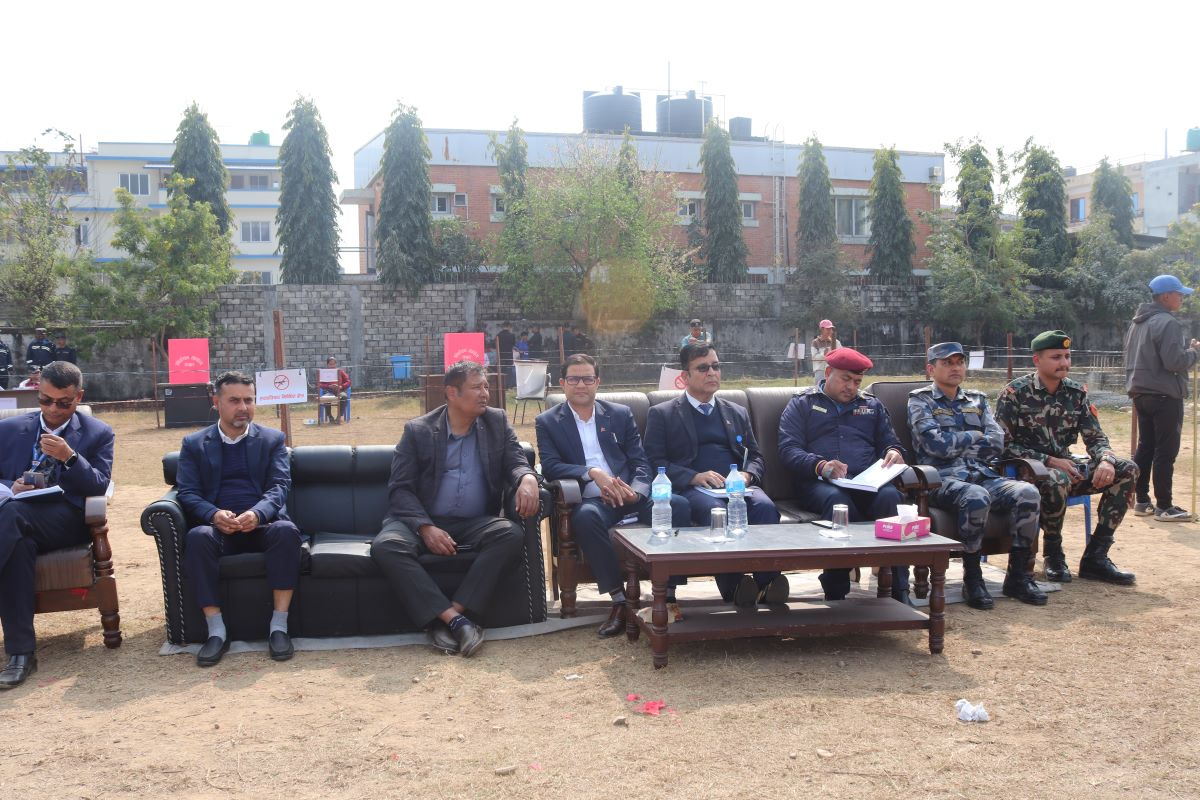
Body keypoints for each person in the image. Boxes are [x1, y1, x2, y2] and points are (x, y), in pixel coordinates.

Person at [371, 361, 541, 657]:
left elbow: (516, 460)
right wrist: (426, 528)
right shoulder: (419, 430)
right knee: (386, 546)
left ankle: (450, 616)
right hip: (423, 520)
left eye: (486, 386)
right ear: (452, 392)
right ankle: (458, 622)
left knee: (510, 534)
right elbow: (400, 489)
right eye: (476, 387)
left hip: (474, 521)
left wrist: (527, 478)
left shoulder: (496, 421)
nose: (485, 393)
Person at [536, 354, 690, 636]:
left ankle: (668, 597)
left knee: (678, 506)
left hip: (630, 495)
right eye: (573, 379)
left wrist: (637, 493)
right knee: (585, 518)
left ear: (597, 382)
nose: (580, 385)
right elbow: (550, 465)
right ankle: (620, 602)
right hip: (594, 500)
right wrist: (592, 472)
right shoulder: (548, 421)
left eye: (587, 379)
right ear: (562, 383)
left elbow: (640, 462)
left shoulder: (619, 414)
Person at [176, 371, 304, 666]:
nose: (243, 407)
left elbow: (279, 486)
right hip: (219, 530)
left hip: (263, 525)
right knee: (197, 537)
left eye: (249, 400)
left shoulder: (272, 440)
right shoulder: (194, 444)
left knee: (286, 531)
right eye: (234, 400)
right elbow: (188, 492)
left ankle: (279, 628)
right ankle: (216, 632)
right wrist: (213, 514)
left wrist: (258, 513)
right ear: (216, 402)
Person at [644, 343, 786, 606]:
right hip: (695, 489)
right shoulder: (663, 414)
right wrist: (693, 476)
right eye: (703, 368)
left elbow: (756, 456)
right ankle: (735, 587)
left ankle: (767, 584)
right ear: (685, 376)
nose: (712, 373)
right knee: (716, 512)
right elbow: (653, 461)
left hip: (737, 487)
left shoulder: (736, 412)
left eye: (716, 366)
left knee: (766, 508)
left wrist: (747, 475)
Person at [0, 361, 113, 689]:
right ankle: (21, 655)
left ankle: (21, 655)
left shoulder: (98, 432)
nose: (53, 409)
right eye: (46, 400)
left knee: (10, 517)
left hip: (65, 518)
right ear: (38, 392)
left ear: (79, 397)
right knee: (17, 544)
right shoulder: (9, 429)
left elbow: (100, 485)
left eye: (63, 403)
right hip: (15, 517)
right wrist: (11, 486)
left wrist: (70, 458)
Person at [907, 342, 1045, 609]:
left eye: (959, 362)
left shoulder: (978, 399)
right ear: (931, 369)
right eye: (947, 363)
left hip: (982, 474)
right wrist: (974, 434)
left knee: (1027, 492)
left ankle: (1018, 577)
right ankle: (973, 578)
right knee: (975, 496)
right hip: (940, 480)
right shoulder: (920, 400)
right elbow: (935, 445)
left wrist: (959, 441)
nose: (955, 367)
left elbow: (997, 443)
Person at [996, 331, 1137, 586]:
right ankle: (1053, 554)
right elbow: (1003, 446)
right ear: (1037, 360)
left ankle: (1096, 556)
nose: (1064, 363)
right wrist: (1048, 460)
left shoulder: (1076, 393)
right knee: (1056, 477)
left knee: (1126, 469)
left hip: (1067, 468)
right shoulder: (1015, 393)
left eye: (1067, 356)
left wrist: (1106, 460)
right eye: (1056, 357)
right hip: (1029, 472)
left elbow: (1096, 437)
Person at [778, 347, 913, 604]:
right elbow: (788, 449)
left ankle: (899, 588)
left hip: (866, 482)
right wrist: (820, 465)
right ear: (828, 372)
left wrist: (894, 452)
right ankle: (836, 588)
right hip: (819, 483)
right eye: (845, 379)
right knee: (839, 503)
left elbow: (890, 442)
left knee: (891, 498)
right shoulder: (803, 404)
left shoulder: (871, 406)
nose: (851, 387)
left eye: (857, 381)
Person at [1123, 274, 1200, 522]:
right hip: (1165, 395)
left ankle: (1142, 501)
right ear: (1166, 296)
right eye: (1179, 294)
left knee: (1146, 447)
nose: (1182, 298)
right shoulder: (1167, 322)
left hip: (1140, 392)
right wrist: (1194, 353)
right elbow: (1174, 361)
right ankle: (1164, 506)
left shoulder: (1137, 323)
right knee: (1165, 451)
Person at [317, 356, 352, 424]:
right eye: (330, 364)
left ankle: (339, 416)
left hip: (339, 391)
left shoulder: (340, 371)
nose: (332, 366)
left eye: (334, 364)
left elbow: (348, 382)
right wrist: (328, 386)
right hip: (328, 391)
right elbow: (320, 384)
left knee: (344, 397)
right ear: (327, 364)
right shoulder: (324, 373)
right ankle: (330, 416)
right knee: (326, 398)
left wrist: (341, 386)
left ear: (336, 364)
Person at [496, 322, 516, 386]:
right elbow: (513, 344)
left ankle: (501, 385)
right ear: (509, 327)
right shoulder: (512, 335)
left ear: (502, 327)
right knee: (509, 371)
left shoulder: (498, 335)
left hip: (501, 356)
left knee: (501, 371)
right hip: (509, 356)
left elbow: (495, 345)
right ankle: (508, 385)